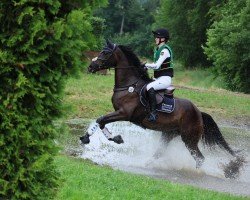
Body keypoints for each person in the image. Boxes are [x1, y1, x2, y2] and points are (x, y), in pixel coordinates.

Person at [145, 28, 174, 122]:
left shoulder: (164, 50)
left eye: (157, 37)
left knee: (149, 87)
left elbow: (157, 65)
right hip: (158, 78)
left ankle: (154, 113)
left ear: (163, 39)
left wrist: (145, 65)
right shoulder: (158, 49)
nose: (155, 39)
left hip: (165, 79)